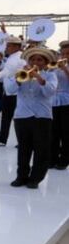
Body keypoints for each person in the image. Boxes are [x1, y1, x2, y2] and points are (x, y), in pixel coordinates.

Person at [4, 47, 58, 189]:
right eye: (33, 59)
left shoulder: (50, 75)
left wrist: (39, 78)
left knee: (41, 149)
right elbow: (9, 90)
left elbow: (49, 92)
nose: (35, 62)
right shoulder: (20, 74)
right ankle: (21, 176)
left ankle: (35, 178)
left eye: (39, 60)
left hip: (42, 116)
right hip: (22, 116)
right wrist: (18, 80)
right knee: (23, 148)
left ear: (45, 62)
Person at [0, 36, 25, 147]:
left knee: (19, 118)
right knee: (6, 117)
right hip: (8, 91)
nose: (6, 47)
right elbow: (5, 71)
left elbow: (11, 72)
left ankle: (22, 141)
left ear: (16, 46)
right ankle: (2, 139)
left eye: (9, 45)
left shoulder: (20, 58)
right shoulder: (11, 57)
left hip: (17, 92)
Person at [50, 40, 69, 170]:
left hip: (67, 100)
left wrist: (65, 69)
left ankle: (64, 160)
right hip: (54, 100)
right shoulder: (56, 65)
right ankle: (52, 159)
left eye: (67, 53)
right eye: (62, 53)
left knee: (66, 132)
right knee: (53, 132)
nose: (64, 56)